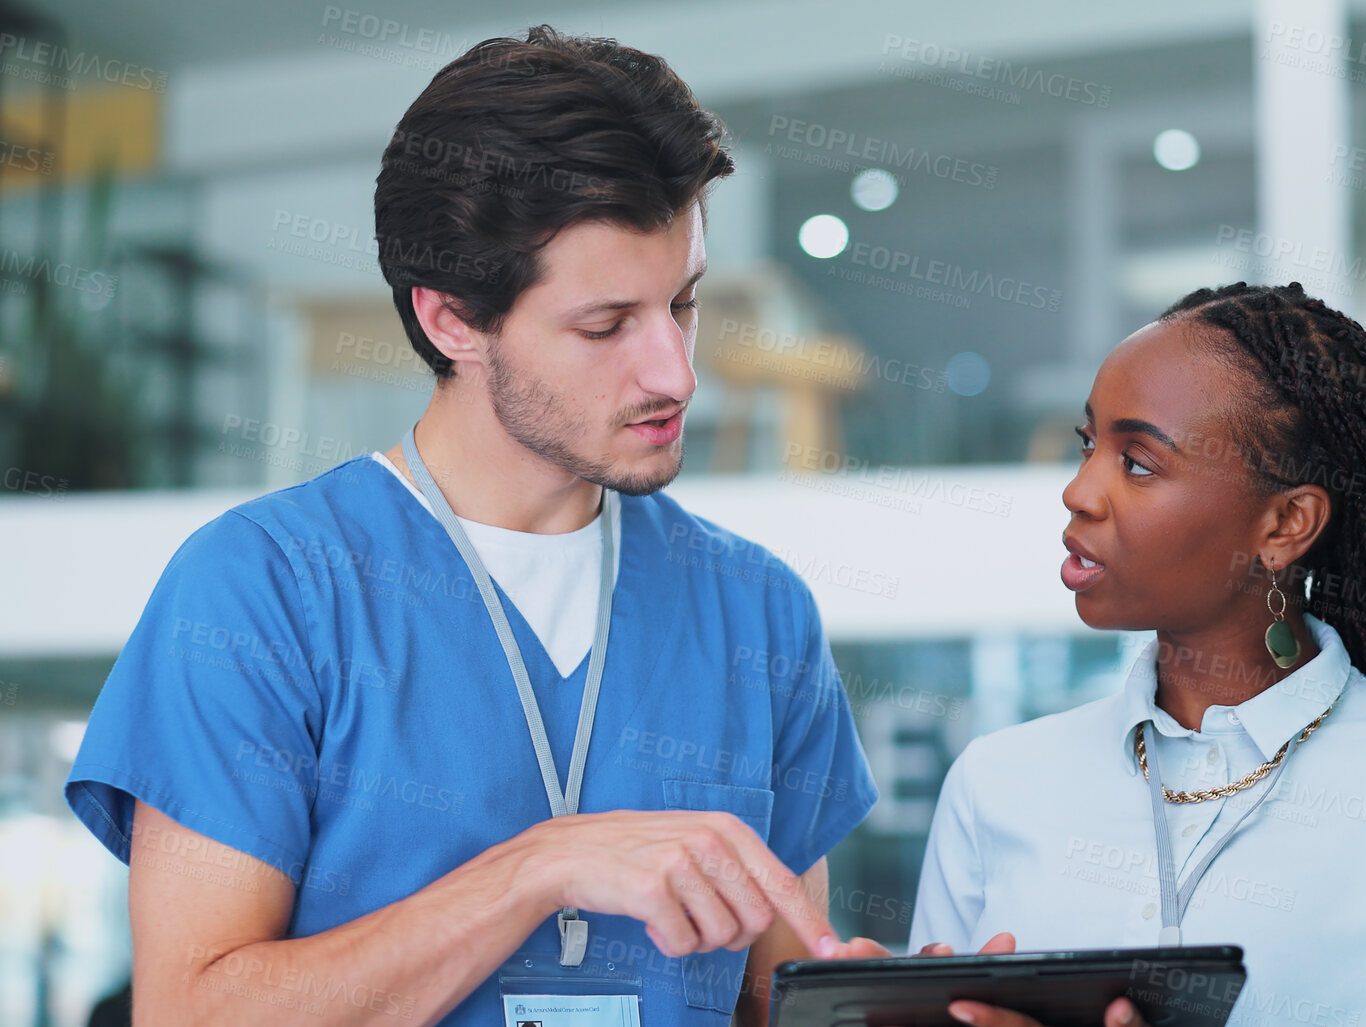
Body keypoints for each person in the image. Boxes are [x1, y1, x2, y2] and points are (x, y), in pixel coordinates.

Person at [63, 28, 878, 1026]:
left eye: (684, 302)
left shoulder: (758, 614)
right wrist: (537, 870)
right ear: (452, 319)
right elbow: (189, 1012)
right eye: (606, 325)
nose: (676, 373)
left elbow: (779, 1001)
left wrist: (901, 1006)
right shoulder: (262, 590)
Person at [844, 282, 1366, 1027]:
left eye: (1140, 463)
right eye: (1088, 445)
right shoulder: (995, 785)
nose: (1078, 491)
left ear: (1285, 523)